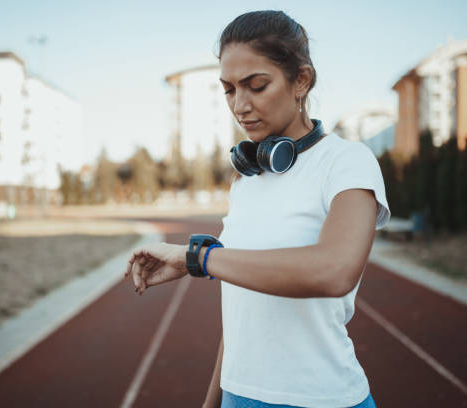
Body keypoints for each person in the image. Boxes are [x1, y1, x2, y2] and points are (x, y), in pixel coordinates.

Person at [125, 10, 390, 408]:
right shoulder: (245, 180)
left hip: (322, 399)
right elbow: (241, 317)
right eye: (229, 89)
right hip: (237, 395)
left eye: (256, 85)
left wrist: (196, 258)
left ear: (301, 80)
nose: (240, 105)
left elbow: (334, 270)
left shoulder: (347, 162)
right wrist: (212, 401)